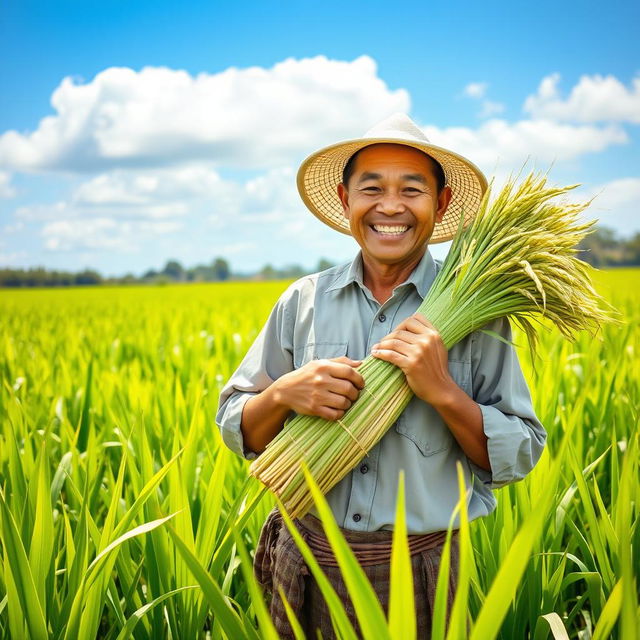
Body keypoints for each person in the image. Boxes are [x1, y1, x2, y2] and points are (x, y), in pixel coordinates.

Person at [217, 113, 546, 638]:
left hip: (420, 570)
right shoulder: (303, 300)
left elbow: (520, 451)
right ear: (346, 200)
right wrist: (282, 393)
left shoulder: (479, 312)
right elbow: (238, 426)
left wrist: (443, 393)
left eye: (411, 189)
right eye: (372, 188)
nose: (390, 206)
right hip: (302, 557)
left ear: (439, 205)